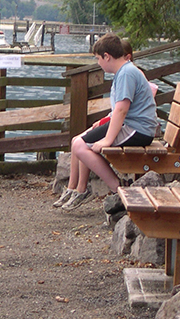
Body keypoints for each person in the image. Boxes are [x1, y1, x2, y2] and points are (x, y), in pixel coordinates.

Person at [53, 34, 158, 210]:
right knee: (78, 141)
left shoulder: (127, 73)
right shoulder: (124, 71)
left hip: (138, 130)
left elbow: (122, 109)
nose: (98, 63)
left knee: (80, 146)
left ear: (107, 56)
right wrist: (103, 123)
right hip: (131, 126)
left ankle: (118, 189)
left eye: (98, 58)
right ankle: (78, 189)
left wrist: (107, 140)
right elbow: (119, 110)